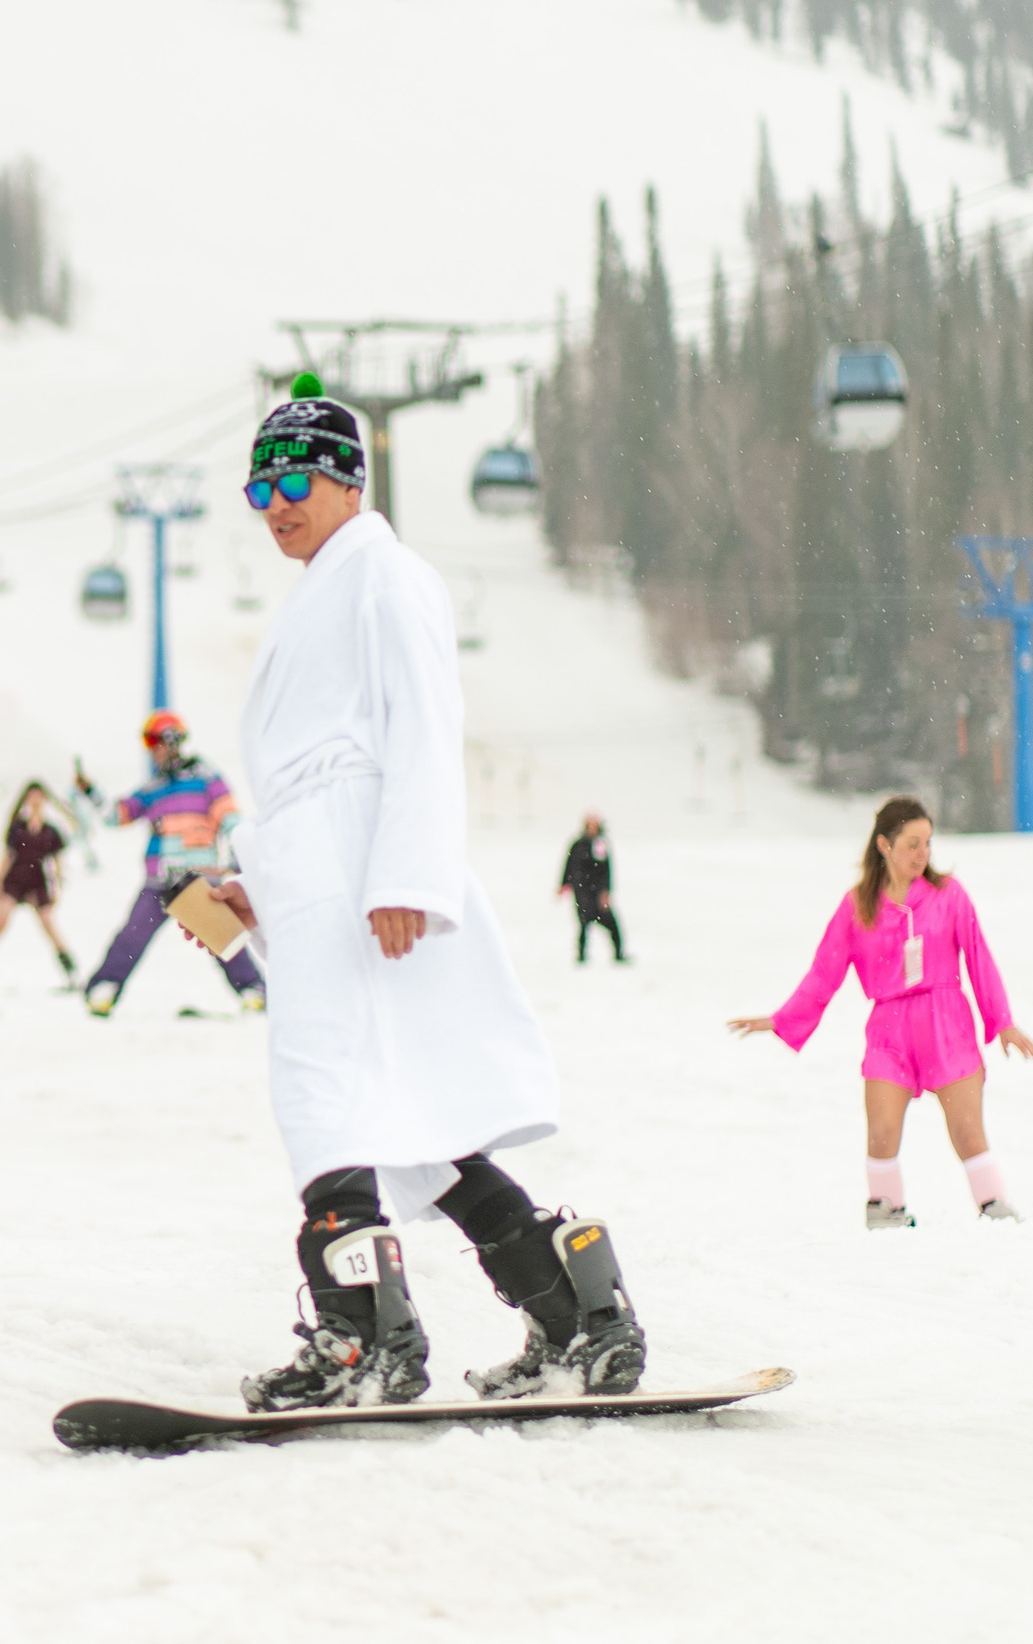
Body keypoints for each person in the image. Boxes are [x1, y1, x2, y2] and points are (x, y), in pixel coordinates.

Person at [186, 376, 647, 1412]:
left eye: (296, 481)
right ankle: (576, 1313)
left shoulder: (385, 578)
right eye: (259, 489)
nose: (275, 505)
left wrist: (405, 874)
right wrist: (261, 885)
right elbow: (320, 779)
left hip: (364, 869)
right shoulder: (333, 584)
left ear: (350, 481)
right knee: (407, 1114)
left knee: (325, 1096)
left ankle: (359, 1341)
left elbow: (425, 727)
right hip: (328, 866)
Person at [729, 795, 1033, 1227]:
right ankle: (884, 1208)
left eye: (927, 843)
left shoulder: (948, 895)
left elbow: (979, 957)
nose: (922, 854)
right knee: (882, 1131)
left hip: (946, 1023)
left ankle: (993, 1206)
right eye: (912, 844)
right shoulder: (858, 905)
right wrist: (781, 1019)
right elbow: (824, 973)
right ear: (884, 845)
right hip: (889, 1030)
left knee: (968, 1132)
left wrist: (1002, 1021)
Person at [76, 712, 266, 1018]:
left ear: (173, 742)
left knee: (219, 935)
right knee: (132, 935)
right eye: (149, 745)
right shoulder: (154, 787)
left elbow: (230, 818)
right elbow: (116, 815)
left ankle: (252, 990)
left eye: (156, 744)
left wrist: (240, 855)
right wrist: (90, 792)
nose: (153, 752)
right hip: (160, 881)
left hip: (196, 879)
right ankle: (104, 988)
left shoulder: (206, 778)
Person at [0, 781, 75, 991]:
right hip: (15, 879)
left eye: (39, 796)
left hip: (37, 881)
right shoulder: (18, 828)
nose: (36, 801)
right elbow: (8, 856)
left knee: (50, 927)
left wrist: (57, 885)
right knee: (0, 924)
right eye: (32, 796)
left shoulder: (51, 831)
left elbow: (57, 861)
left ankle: (71, 975)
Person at [558, 812, 625, 964]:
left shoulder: (600, 844)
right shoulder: (578, 844)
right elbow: (569, 864)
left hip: (598, 892)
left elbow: (607, 870)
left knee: (611, 923)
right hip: (581, 891)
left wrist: (606, 891)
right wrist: (563, 884)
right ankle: (581, 955)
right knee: (583, 924)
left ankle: (618, 954)